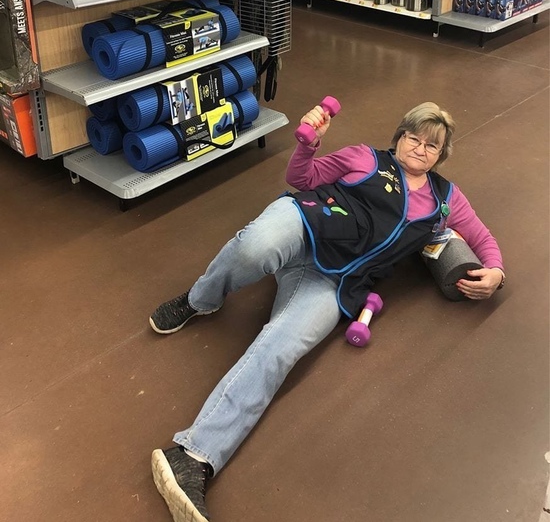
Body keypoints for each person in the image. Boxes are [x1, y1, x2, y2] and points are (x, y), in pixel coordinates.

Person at [149, 101, 505, 522]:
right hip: (304, 224)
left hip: (336, 282)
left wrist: (496, 271)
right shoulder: (365, 157)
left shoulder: (445, 200)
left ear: (441, 155)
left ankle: (193, 456)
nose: (421, 149)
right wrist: (309, 145)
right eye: (414, 138)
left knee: (281, 349)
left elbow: (481, 237)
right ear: (399, 137)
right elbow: (302, 178)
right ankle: (199, 300)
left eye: (433, 145)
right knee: (255, 248)